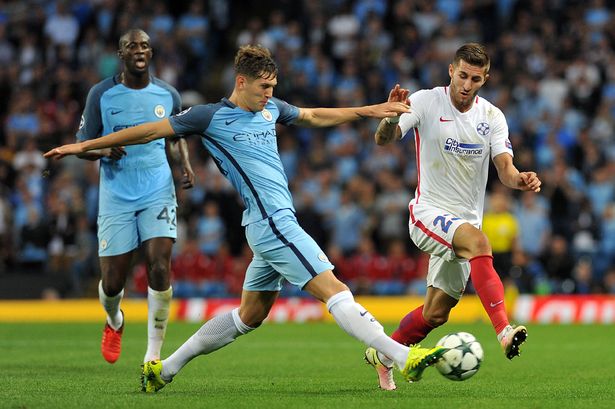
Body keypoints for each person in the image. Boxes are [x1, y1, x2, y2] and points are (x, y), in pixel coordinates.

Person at [45, 45, 448, 392]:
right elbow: (147, 132)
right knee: (335, 289)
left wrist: (370, 110)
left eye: (273, 87)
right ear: (241, 82)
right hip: (273, 223)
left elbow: (312, 116)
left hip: (265, 224)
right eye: (264, 87)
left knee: (249, 315)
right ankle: (400, 354)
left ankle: (163, 369)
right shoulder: (207, 117)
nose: (270, 95)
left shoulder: (271, 109)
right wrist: (83, 145)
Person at [363, 43, 542, 390]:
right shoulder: (426, 101)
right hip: (428, 213)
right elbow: (383, 139)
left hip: (463, 223)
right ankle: (504, 330)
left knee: (436, 313)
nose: (467, 84)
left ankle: (384, 355)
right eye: (462, 75)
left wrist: (519, 179)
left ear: (484, 79)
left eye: (476, 78)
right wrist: (389, 117)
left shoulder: (492, 117)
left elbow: (505, 168)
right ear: (451, 71)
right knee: (479, 242)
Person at [73, 29, 195, 364]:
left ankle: (153, 356)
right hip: (116, 193)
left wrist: (185, 164)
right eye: (131, 46)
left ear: (151, 52)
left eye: (143, 45)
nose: (138, 50)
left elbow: (177, 135)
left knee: (158, 265)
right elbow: (83, 144)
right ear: (121, 54)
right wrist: (103, 151)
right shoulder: (101, 94)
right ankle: (115, 320)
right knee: (113, 283)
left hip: (157, 189)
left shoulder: (167, 94)